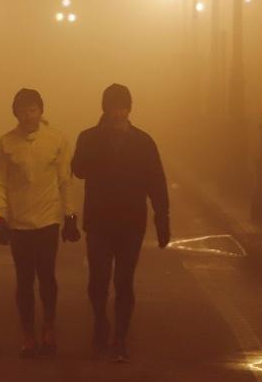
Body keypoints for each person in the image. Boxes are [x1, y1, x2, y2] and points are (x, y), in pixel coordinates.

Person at [71, 83, 169, 363]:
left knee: (124, 282)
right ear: (105, 109)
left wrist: (162, 219)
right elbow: (78, 169)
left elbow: (156, 182)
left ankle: (120, 339)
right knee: (98, 280)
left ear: (129, 109)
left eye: (123, 108)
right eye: (114, 108)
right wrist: (97, 140)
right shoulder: (88, 138)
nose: (118, 113)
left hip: (131, 223)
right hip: (99, 222)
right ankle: (100, 321)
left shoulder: (143, 142)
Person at [0, 88, 81, 359]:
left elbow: (65, 180)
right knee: (24, 281)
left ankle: (49, 328)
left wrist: (70, 216)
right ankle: (28, 334)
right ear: (15, 113)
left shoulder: (56, 140)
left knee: (47, 278)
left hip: (48, 221)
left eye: (33, 109)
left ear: (41, 111)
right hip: (18, 224)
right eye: (23, 110)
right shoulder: (6, 143)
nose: (28, 115)